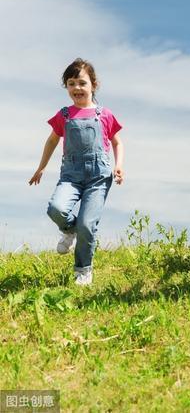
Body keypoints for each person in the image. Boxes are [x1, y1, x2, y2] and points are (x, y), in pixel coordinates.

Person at [29, 58, 124, 286]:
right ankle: (68, 230)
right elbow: (52, 141)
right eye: (71, 83)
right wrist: (41, 167)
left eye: (81, 83)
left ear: (93, 84)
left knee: (87, 224)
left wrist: (118, 165)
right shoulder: (64, 115)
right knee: (56, 209)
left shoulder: (105, 114)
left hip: (98, 176)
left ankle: (83, 269)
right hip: (71, 174)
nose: (76, 88)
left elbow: (117, 142)